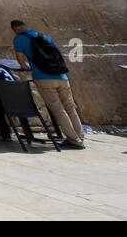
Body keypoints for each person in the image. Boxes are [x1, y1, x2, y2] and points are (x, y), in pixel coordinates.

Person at [11, 20, 84, 149]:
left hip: (43, 76)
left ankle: (74, 140)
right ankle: (80, 136)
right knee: (70, 107)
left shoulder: (19, 38)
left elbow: (20, 57)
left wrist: (23, 66)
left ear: (15, 28)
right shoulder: (43, 36)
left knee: (58, 109)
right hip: (61, 75)